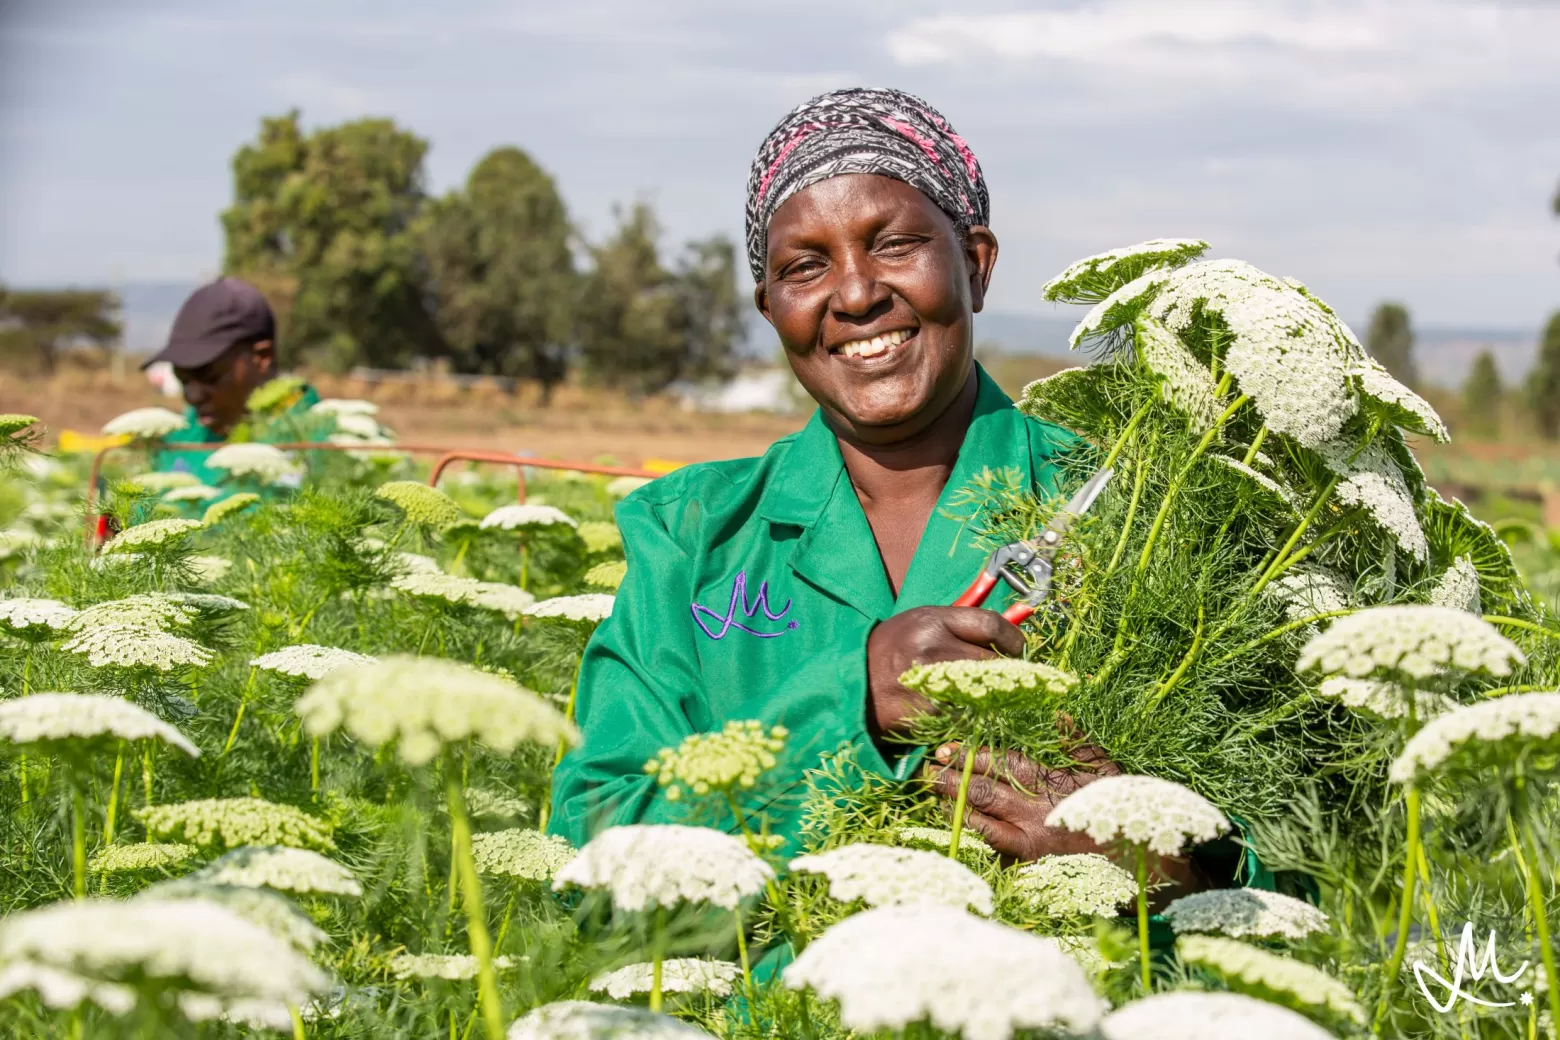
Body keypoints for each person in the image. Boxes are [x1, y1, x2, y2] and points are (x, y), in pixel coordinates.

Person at [549, 89, 1236, 903]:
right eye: (805, 266)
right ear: (771, 309)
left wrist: (1169, 871)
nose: (855, 294)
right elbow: (588, 861)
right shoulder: (692, 534)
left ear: (975, 266)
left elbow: (1306, 871)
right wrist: (854, 701)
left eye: (896, 244)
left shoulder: (1148, 511)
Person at [141, 277, 317, 484]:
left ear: (262, 357)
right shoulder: (182, 437)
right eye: (183, 378)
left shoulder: (316, 442)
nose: (192, 396)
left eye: (209, 375)